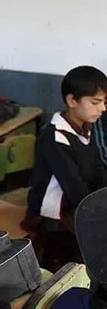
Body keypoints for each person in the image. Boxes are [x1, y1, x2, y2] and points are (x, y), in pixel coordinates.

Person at [23, 66, 107, 270]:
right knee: (86, 254)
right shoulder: (55, 136)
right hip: (53, 214)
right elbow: (74, 188)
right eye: (96, 102)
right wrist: (97, 211)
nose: (103, 108)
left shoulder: (86, 129)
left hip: (76, 204)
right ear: (72, 101)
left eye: (105, 102)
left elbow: (97, 170)